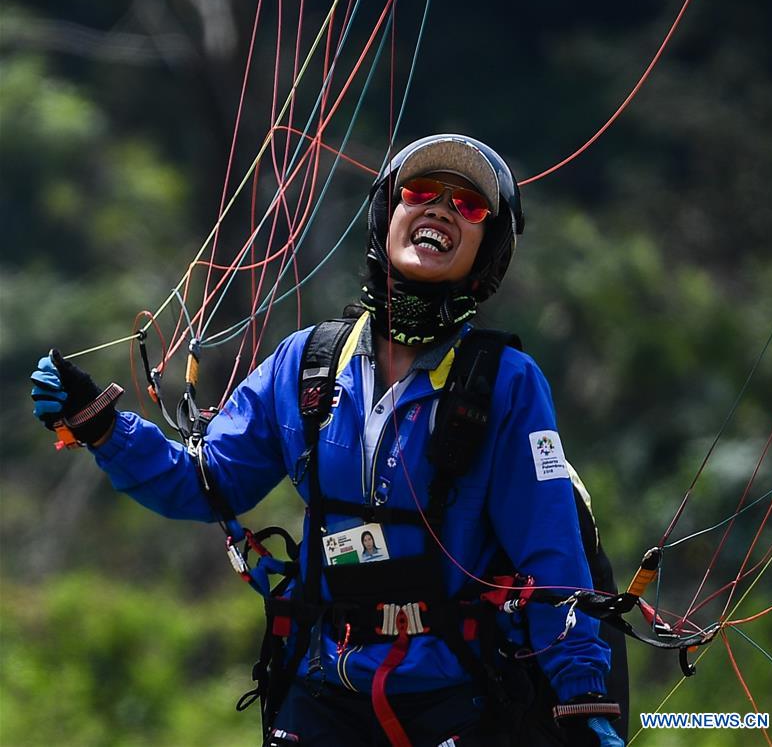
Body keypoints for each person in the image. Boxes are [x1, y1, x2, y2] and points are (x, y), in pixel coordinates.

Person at [31, 134, 625, 747]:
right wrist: (101, 426)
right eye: (421, 192)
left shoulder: (506, 383)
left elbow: (551, 556)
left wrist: (583, 697)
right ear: (385, 214)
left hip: (456, 696)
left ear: (489, 249)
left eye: (469, 205)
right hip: (323, 690)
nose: (440, 209)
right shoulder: (307, 363)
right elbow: (205, 484)